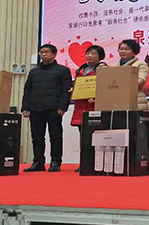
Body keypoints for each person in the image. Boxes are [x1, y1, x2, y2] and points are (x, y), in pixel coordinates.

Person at [21, 44, 72, 172]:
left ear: (54, 54)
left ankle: (55, 162)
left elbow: (66, 91)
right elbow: (27, 90)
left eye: (47, 52)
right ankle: (38, 162)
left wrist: (63, 107)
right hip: (35, 108)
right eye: (41, 52)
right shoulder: (34, 72)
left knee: (55, 136)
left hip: (54, 108)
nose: (43, 54)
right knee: (37, 137)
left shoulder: (63, 70)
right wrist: (25, 107)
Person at [70, 45, 107, 172]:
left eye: (93, 53)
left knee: (96, 138)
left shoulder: (103, 69)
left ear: (100, 56)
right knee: (84, 138)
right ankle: (84, 163)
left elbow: (106, 87)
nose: (89, 56)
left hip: (95, 107)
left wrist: (98, 98)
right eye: (88, 53)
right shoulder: (81, 69)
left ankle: (97, 163)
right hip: (80, 107)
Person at [114, 39, 149, 111]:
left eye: (126, 49)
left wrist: (120, 84)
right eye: (121, 49)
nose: (123, 51)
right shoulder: (114, 66)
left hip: (136, 98)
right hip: (118, 99)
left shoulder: (141, 64)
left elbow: (141, 80)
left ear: (134, 51)